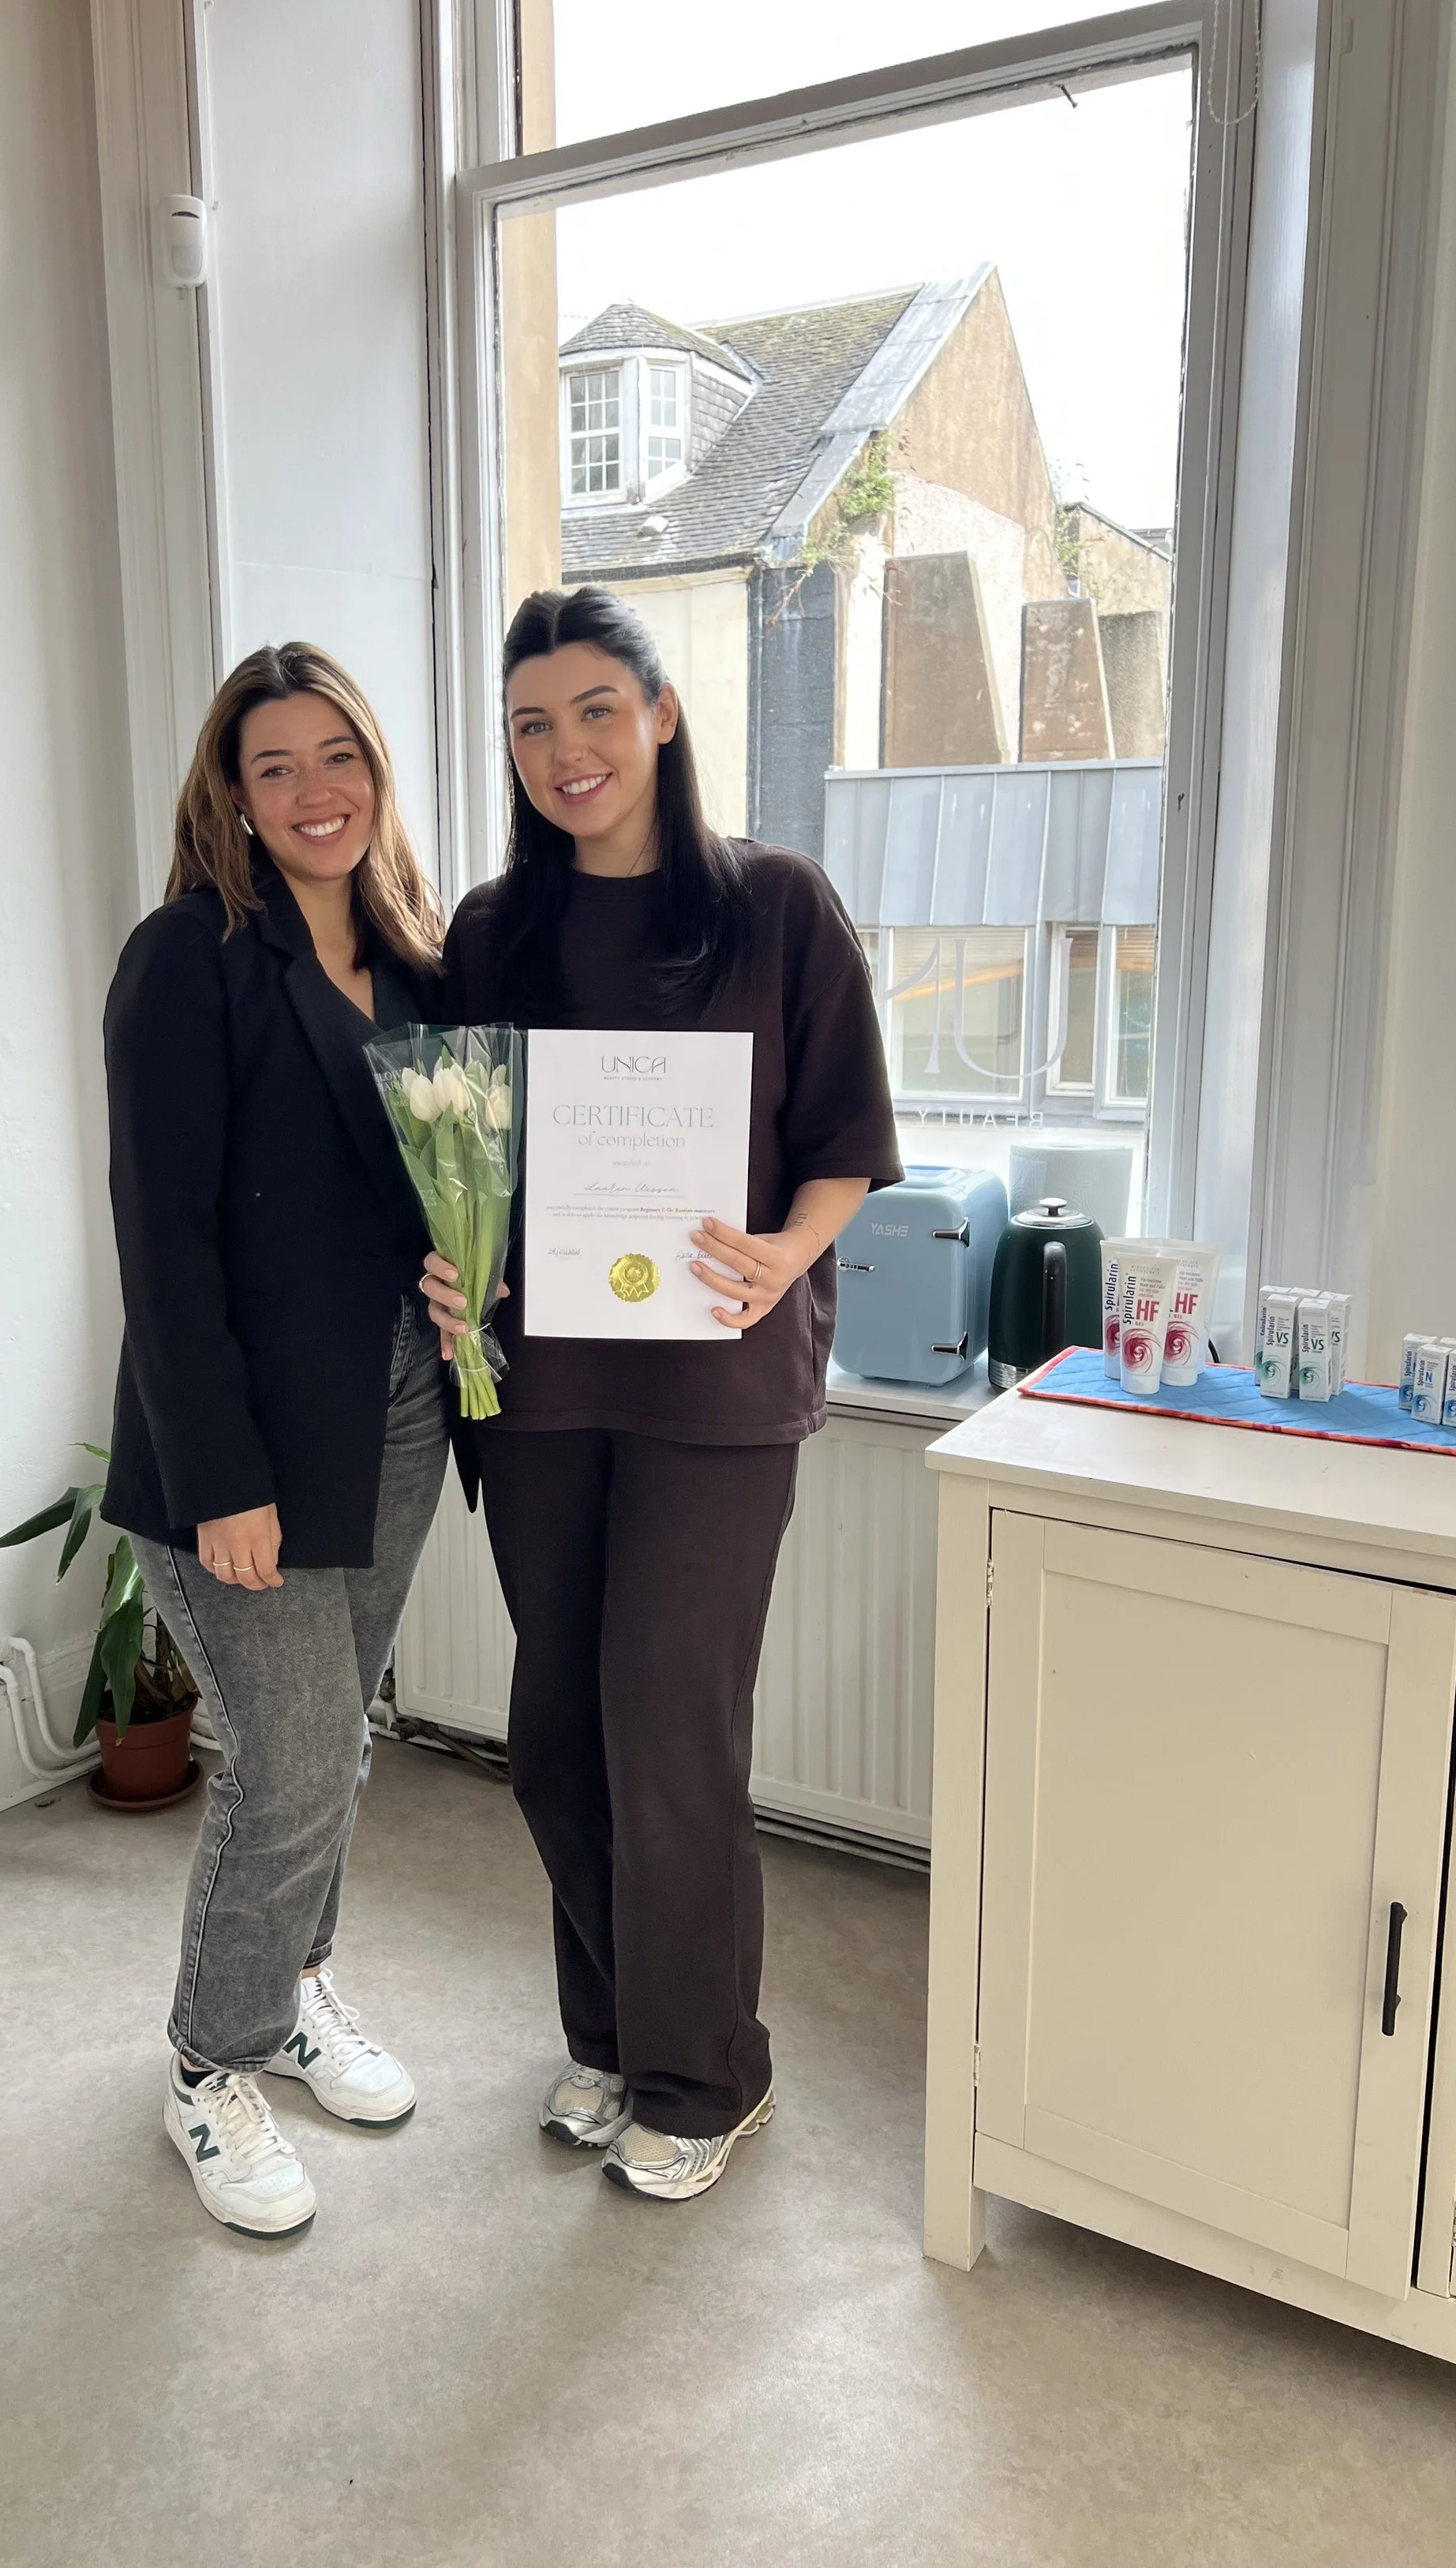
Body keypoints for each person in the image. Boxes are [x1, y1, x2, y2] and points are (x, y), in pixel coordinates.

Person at [429, 585, 903, 2204]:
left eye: (593, 713)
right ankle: (616, 2028)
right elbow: (457, 1148)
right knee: (554, 1727)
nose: (565, 751)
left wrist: (784, 1251)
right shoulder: (493, 931)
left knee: (667, 1726)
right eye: (528, 724)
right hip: (538, 1380)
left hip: (716, 1383)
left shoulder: (777, 906)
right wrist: (452, 1262)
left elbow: (844, 1138)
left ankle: (707, 2071)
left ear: (660, 715)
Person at [101, 642, 450, 2241]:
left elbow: (437, 1188)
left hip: (392, 1405)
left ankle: (294, 1989)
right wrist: (222, 1480)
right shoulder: (187, 958)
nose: (314, 793)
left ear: (376, 768)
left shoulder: (418, 956)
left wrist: (472, 1265)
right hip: (236, 1432)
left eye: (339, 757)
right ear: (228, 796)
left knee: (341, 1735)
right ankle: (207, 2061)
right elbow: (161, 1239)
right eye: (274, 767)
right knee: (290, 1751)